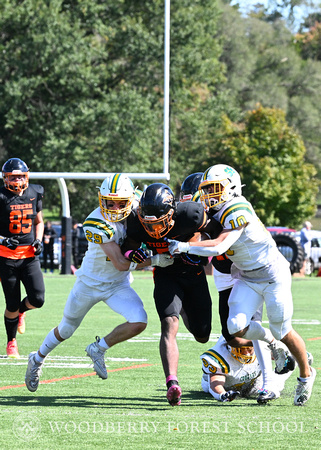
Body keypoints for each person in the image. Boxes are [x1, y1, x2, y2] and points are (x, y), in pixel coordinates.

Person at [168, 164, 316, 406]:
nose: (210, 194)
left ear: (233, 187)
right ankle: (272, 344)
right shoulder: (213, 209)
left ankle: (306, 376)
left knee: (283, 330)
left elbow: (219, 247)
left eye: (216, 188)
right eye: (207, 189)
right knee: (235, 326)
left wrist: (184, 247)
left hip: (273, 275)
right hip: (247, 276)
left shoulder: (238, 207)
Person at [25, 173, 173, 392]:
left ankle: (99, 348)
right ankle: (36, 359)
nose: (113, 207)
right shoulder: (97, 222)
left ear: (131, 199)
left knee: (139, 321)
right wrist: (156, 260)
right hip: (90, 283)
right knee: (66, 329)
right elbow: (121, 263)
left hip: (118, 285)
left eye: (119, 203)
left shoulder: (141, 203)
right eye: (108, 202)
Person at [122, 182, 223, 406]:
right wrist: (134, 253)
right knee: (169, 323)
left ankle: (184, 307)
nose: (154, 229)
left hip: (194, 275)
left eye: (159, 222)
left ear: (172, 212)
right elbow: (127, 246)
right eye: (149, 223)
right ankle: (172, 383)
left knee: (202, 335)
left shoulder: (191, 214)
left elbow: (217, 234)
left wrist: (196, 249)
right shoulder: (136, 221)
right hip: (166, 274)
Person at [0, 157, 45, 358]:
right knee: (10, 303)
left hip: (29, 256)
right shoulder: (1, 196)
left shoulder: (35, 192)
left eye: (20, 176)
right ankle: (11, 342)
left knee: (38, 299)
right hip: (6, 257)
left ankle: (21, 312)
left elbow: (39, 221)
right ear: (5, 178)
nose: (17, 181)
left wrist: (39, 240)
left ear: (26, 176)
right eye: (12, 177)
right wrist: (2, 240)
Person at [200, 335, 298, 403]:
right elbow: (215, 384)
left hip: (253, 382)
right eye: (242, 349)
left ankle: (302, 360)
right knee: (208, 386)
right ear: (230, 347)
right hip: (228, 386)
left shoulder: (261, 346)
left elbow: (278, 357)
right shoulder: (219, 356)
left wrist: (287, 360)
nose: (246, 353)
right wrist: (223, 395)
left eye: (249, 349)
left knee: (276, 384)